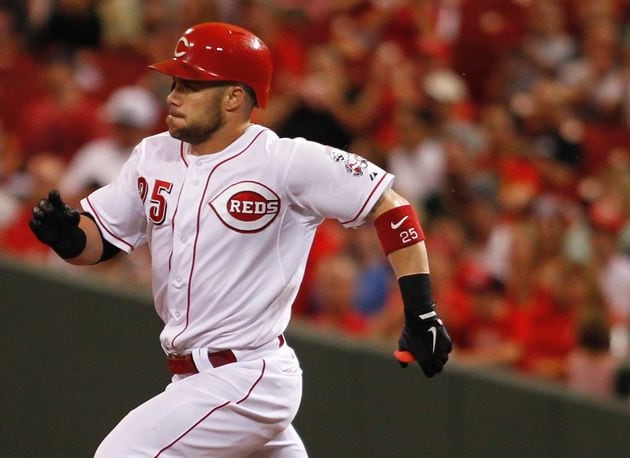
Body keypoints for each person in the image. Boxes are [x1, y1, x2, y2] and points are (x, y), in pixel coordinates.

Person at [29, 22, 451, 457]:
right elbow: (102, 242)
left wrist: (421, 311)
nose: (172, 95)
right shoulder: (152, 155)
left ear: (233, 97)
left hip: (248, 375)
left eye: (191, 85)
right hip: (195, 379)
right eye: (174, 82)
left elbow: (392, 206)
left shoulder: (284, 161)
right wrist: (67, 236)